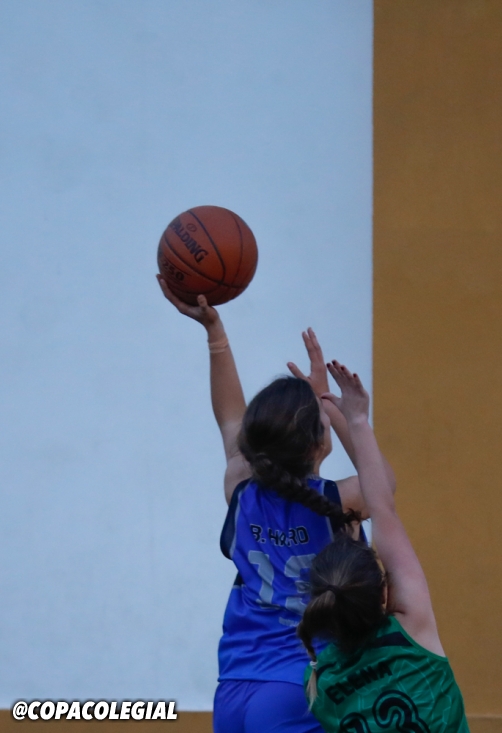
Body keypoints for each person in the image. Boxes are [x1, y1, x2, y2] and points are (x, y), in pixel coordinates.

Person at [157, 277, 391, 733]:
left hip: (235, 686)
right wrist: (339, 408)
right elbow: (384, 484)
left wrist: (215, 333)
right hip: (302, 685)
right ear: (318, 442)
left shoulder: (241, 489)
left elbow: (229, 418)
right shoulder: (339, 502)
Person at [296, 360, 470, 733]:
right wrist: (355, 419)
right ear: (384, 590)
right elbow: (382, 509)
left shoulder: (321, 683)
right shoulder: (413, 631)